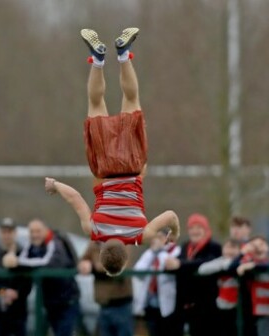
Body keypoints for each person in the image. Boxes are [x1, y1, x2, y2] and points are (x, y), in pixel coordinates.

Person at [45, 27, 179, 276]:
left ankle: (123, 54)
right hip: (104, 168)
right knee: (96, 104)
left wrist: (176, 232)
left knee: (131, 100)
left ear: (126, 258)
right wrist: (54, 185)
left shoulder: (143, 234)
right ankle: (98, 60)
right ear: (102, 251)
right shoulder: (93, 230)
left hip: (132, 164)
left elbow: (171, 215)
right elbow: (74, 197)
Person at [4, 219, 81, 336]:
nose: (34, 235)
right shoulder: (30, 247)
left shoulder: (55, 243)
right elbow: (21, 262)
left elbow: (48, 263)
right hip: (50, 303)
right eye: (31, 232)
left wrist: (16, 261)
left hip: (67, 301)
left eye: (37, 231)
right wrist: (11, 259)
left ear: (45, 231)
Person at [164, 213, 223, 336]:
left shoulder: (214, 247)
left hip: (207, 305)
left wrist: (180, 265)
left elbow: (205, 264)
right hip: (187, 305)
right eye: (192, 228)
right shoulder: (185, 248)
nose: (195, 231)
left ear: (206, 230)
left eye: (199, 228)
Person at [80, 242, 137, 336]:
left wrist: (95, 265)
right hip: (104, 304)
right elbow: (84, 261)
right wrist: (85, 263)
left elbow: (117, 266)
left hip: (122, 302)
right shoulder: (94, 243)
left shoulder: (122, 242)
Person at [132, 229, 181, 336]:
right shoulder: (150, 254)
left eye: (162, 238)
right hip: (151, 306)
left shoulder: (175, 252)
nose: (158, 241)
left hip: (169, 308)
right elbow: (138, 271)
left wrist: (160, 251)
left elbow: (167, 265)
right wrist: (153, 251)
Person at [197, 238, 245, 336]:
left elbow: (236, 267)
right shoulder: (220, 262)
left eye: (234, 249)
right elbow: (203, 269)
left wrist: (234, 263)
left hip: (239, 312)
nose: (230, 252)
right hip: (222, 311)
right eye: (228, 247)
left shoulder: (243, 262)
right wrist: (225, 264)